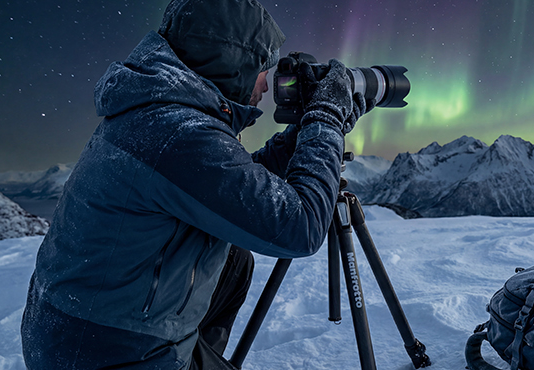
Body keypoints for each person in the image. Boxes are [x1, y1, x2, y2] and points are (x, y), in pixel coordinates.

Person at [19, 0, 368, 368]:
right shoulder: (176, 133)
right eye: (263, 66)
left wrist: (301, 135)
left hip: (83, 324)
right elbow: (300, 228)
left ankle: (196, 354)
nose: (268, 83)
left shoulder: (163, 111)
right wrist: (326, 119)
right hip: (105, 351)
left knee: (234, 264)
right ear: (234, 61)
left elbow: (230, 188)